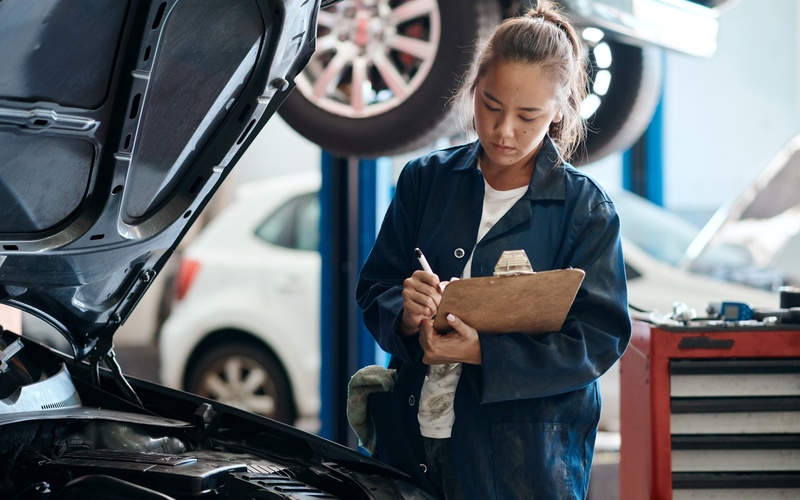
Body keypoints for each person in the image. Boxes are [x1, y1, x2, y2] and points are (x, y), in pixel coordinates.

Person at [355, 1, 631, 498]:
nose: (504, 131)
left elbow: (600, 336)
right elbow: (376, 286)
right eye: (491, 105)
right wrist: (406, 310)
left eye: (528, 116)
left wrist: (485, 352)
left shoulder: (584, 210)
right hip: (411, 449)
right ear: (473, 89)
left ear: (560, 110)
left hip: (522, 466)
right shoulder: (425, 182)